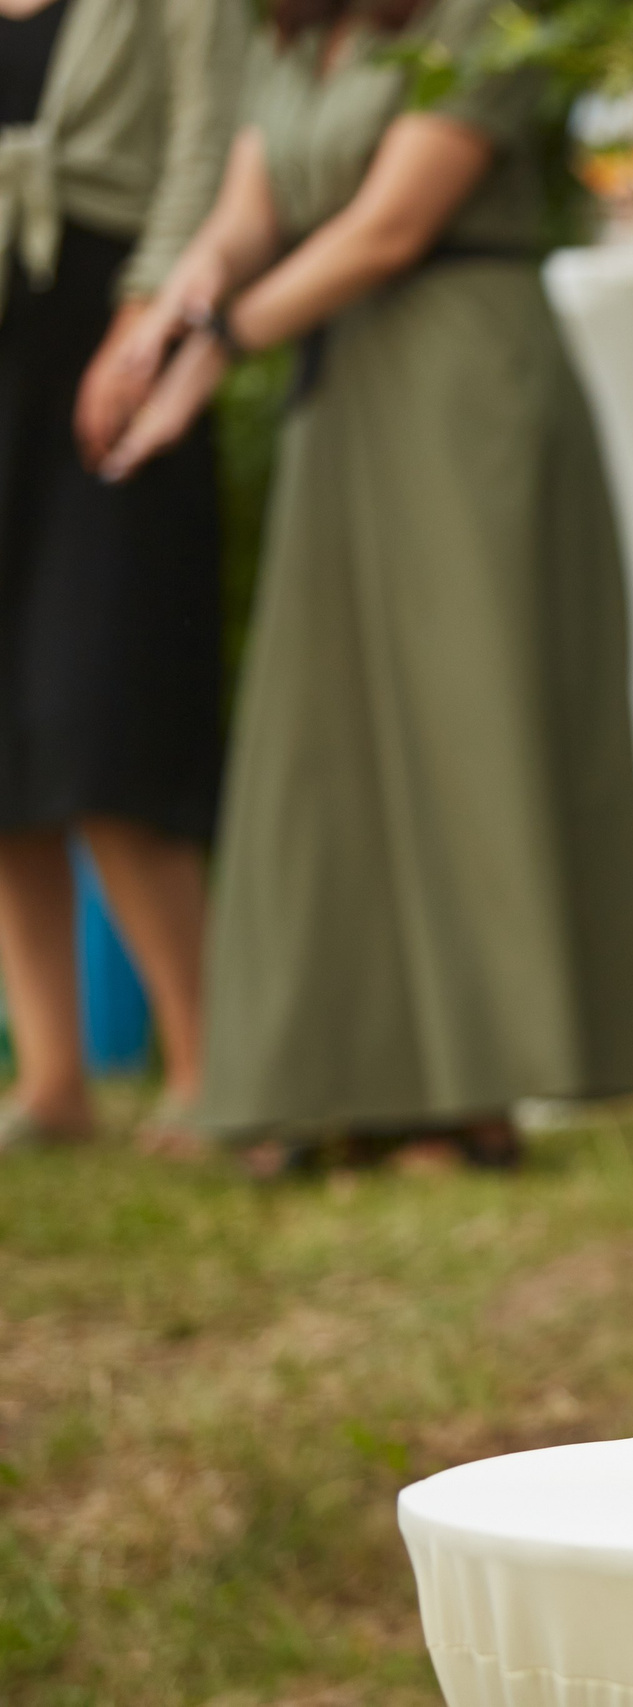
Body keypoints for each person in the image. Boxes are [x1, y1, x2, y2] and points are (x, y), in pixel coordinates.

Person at [94, 0, 633, 1165]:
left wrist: (212, 354)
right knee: (328, 732)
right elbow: (246, 215)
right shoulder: (292, 34)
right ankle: (330, 1080)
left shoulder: (473, 29)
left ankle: (474, 1092)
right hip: (342, 394)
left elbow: (389, 228)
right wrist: (161, 325)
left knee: (461, 732)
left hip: (460, 386)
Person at [0, 0, 246, 1154]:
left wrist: (148, 320)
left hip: (113, 344)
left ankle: (204, 1066)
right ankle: (54, 1082)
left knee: (101, 712)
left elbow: (207, 141)